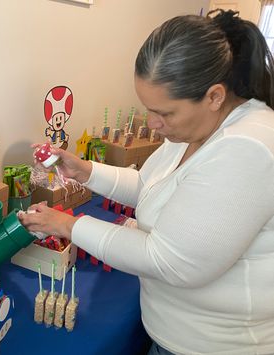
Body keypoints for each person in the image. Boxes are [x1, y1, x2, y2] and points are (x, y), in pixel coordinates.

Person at [19, 10, 274, 355]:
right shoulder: (199, 126)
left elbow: (168, 260)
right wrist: (85, 171)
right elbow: (148, 184)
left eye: (165, 113)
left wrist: (69, 225)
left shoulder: (248, 148)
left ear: (214, 96)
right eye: (148, 109)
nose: (153, 123)